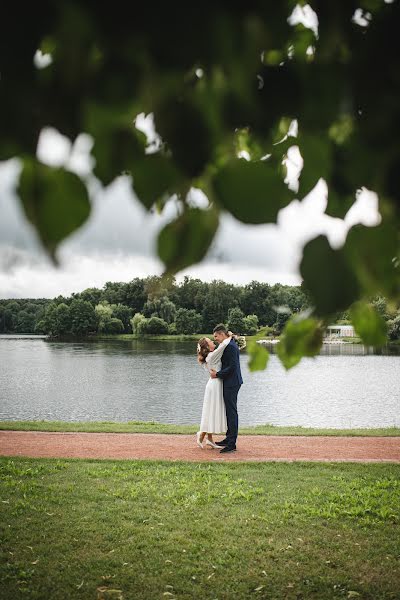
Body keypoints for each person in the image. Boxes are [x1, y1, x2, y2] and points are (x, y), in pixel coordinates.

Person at [210, 324, 243, 454]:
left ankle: (231, 444)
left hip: (232, 383)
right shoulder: (228, 344)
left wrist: (217, 374)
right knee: (229, 412)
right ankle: (229, 439)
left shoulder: (230, 346)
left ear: (222, 334)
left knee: (232, 412)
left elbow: (232, 367)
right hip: (231, 382)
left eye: (216, 336)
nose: (215, 339)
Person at [196, 333, 232, 449]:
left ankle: (209, 439)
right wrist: (230, 336)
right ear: (207, 346)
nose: (213, 342)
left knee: (212, 411)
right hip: (214, 386)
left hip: (216, 384)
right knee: (211, 411)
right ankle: (202, 434)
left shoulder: (210, 355)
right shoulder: (211, 356)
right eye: (210, 341)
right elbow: (223, 346)